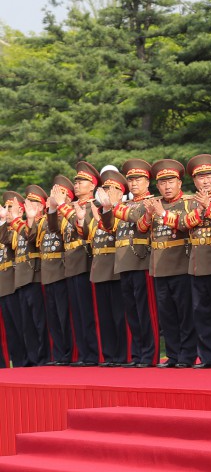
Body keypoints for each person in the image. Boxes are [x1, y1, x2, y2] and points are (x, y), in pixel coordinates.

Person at [166, 154, 211, 369]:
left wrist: (210, 207)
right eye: (200, 177)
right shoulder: (189, 201)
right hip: (196, 262)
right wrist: (201, 208)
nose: (205, 181)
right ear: (194, 181)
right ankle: (207, 356)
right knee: (201, 312)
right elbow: (183, 224)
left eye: (209, 176)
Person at [99, 158, 158, 368]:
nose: (134, 184)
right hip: (123, 262)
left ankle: (149, 355)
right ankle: (137, 354)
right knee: (132, 313)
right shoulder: (121, 205)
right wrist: (107, 207)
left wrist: (115, 206)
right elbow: (107, 226)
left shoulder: (150, 201)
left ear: (147, 182)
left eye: (138, 179)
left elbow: (139, 220)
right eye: (131, 180)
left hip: (141, 261)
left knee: (145, 312)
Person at [142, 159, 197, 368]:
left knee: (185, 314)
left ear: (179, 183)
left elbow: (185, 226)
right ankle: (173, 355)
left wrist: (162, 214)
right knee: (167, 316)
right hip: (159, 267)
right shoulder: (154, 204)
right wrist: (149, 213)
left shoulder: (188, 203)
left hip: (181, 264)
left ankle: (187, 355)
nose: (166, 186)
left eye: (171, 182)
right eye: (162, 183)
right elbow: (142, 228)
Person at [51, 161, 102, 366]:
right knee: (78, 314)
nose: (77, 185)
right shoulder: (70, 207)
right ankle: (83, 354)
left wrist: (63, 206)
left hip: (86, 262)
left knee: (89, 313)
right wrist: (54, 208)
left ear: (92, 186)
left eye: (82, 182)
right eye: (76, 182)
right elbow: (54, 229)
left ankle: (93, 354)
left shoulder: (94, 206)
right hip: (71, 264)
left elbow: (85, 228)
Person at [88, 170, 128, 366]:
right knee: (104, 318)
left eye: (111, 190)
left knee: (121, 317)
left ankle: (123, 355)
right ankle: (110, 355)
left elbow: (113, 230)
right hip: (101, 268)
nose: (106, 193)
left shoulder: (123, 210)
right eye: (104, 189)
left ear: (120, 194)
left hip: (117, 267)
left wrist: (109, 208)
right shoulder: (99, 211)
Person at [11, 186, 50, 366]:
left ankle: (43, 357)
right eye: (28, 203)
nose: (30, 207)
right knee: (27, 323)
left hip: (36, 275)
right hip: (22, 276)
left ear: (42, 207)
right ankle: (33, 358)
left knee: (40, 321)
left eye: (34, 204)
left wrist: (31, 219)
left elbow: (32, 238)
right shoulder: (25, 224)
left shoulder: (42, 222)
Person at [39, 179, 74, 365]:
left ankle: (69, 353)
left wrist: (58, 207)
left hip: (61, 271)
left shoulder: (68, 215)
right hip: (48, 273)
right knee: (53, 317)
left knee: (64, 316)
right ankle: (60, 353)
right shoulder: (48, 218)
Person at [0, 192, 28, 367]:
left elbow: (11, 242)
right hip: (3, 285)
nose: (7, 211)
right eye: (6, 208)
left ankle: (23, 362)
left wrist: (6, 222)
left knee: (20, 328)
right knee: (10, 330)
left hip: (13, 284)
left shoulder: (20, 228)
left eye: (11, 208)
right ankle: (15, 362)